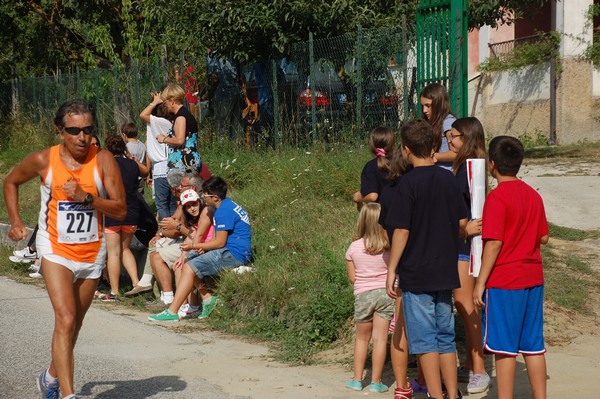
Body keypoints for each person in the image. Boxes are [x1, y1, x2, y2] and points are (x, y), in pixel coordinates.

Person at [3, 99, 126, 399]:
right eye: (74, 130)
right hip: (54, 248)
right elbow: (11, 181)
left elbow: (121, 210)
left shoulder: (104, 160)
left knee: (76, 323)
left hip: (92, 251)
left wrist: (87, 198)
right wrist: (16, 221)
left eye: (87, 130)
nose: (82, 137)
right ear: (60, 131)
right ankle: (68, 395)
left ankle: (50, 376)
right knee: (67, 318)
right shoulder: (44, 160)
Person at [385, 119, 468, 399]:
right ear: (434, 146)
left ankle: (435, 394)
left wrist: (391, 269)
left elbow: (401, 230)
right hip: (445, 271)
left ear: (406, 150)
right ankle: (452, 393)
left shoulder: (407, 184)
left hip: (416, 274)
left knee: (424, 340)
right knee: (445, 337)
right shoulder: (448, 179)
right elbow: (461, 222)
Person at [473, 136, 549, 399]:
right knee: (533, 345)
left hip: (505, 281)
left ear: (492, 164)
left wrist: (480, 283)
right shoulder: (532, 195)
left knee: (504, 346)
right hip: (533, 279)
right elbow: (544, 237)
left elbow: (493, 244)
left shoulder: (496, 198)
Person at [149, 176, 252, 321]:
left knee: (190, 265)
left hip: (234, 253)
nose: (203, 197)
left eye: (205, 194)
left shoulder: (223, 211)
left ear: (215, 197)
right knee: (188, 259)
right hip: (231, 250)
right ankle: (208, 299)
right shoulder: (226, 205)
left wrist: (194, 246)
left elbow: (220, 243)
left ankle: (172, 311)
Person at [448, 117, 490, 393]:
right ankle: (470, 364)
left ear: (466, 138)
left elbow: (465, 212)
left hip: (465, 247)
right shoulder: (471, 165)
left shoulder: (467, 168)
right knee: (465, 307)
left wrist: (465, 229)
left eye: (453, 136)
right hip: (465, 244)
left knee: (466, 305)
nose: (449, 141)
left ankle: (480, 370)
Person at [344, 202, 394, 393]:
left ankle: (357, 380)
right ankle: (376, 382)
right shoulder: (389, 247)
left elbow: (352, 278)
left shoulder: (354, 247)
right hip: (385, 294)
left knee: (362, 339)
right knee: (380, 339)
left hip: (363, 295)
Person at [98, 135, 149, 302]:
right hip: (131, 212)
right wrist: (131, 157)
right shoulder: (132, 164)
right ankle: (136, 283)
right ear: (124, 149)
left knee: (113, 253)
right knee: (125, 249)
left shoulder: (105, 164)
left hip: (112, 211)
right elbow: (145, 171)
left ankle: (114, 291)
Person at [171, 189, 214, 317]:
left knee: (188, 264)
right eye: (188, 206)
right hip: (200, 247)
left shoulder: (206, 213)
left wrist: (178, 227)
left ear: (200, 202)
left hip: (208, 247)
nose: (192, 209)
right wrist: (182, 255)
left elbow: (199, 236)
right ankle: (185, 305)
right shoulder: (193, 220)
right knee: (179, 265)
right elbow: (191, 237)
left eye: (194, 204)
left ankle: (196, 303)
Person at [140, 93, 175, 220]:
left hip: (161, 168)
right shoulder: (168, 122)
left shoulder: (159, 122)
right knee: (171, 203)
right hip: (170, 166)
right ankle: (174, 232)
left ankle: (167, 232)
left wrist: (154, 102)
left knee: (162, 205)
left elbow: (143, 114)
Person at [156, 83, 202, 172]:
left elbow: (179, 140)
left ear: (172, 101)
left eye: (165, 102)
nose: (165, 105)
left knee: (182, 186)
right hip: (190, 160)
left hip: (184, 163)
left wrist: (164, 139)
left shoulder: (180, 117)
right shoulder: (185, 114)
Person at [352, 127, 395, 211]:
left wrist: (358, 197)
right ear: (392, 144)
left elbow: (372, 196)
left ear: (372, 145)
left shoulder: (371, 166)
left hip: (380, 217)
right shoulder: (401, 163)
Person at [420, 83, 456, 171]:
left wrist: (434, 156)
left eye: (428, 106)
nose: (424, 110)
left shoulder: (448, 122)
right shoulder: (430, 122)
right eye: (423, 106)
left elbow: (456, 154)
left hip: (447, 174)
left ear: (439, 104)